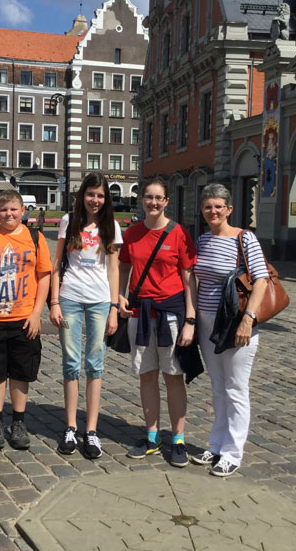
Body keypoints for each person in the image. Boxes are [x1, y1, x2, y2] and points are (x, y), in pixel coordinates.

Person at [189, 183, 269, 477]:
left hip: (235, 322)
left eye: (218, 206)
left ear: (229, 209)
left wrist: (248, 319)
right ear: (202, 210)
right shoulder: (202, 240)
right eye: (208, 206)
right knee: (217, 386)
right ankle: (217, 444)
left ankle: (233, 452)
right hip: (207, 322)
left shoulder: (244, 239)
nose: (213, 211)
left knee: (236, 388)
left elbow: (261, 280)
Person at [118, 177, 197, 468]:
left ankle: (178, 439)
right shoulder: (132, 233)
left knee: (173, 376)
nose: (153, 202)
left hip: (171, 315)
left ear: (166, 201)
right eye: (148, 197)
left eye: (158, 198)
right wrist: (120, 296)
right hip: (140, 314)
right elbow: (124, 266)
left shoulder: (178, 233)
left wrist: (191, 319)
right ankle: (152, 436)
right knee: (147, 375)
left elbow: (189, 279)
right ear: (142, 200)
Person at [0, 190, 52, 450]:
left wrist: (37, 313)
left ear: (22, 211)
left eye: (14, 209)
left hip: (24, 318)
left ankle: (18, 421)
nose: (9, 214)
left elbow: (44, 277)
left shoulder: (35, 238)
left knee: (20, 371)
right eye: (3, 209)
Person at [49, 173, 121, 459]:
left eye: (100, 195)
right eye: (91, 194)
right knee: (70, 362)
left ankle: (91, 430)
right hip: (70, 299)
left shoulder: (112, 226)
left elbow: (113, 269)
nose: (95, 200)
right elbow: (57, 264)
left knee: (95, 363)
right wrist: (54, 302)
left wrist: (114, 308)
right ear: (82, 195)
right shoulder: (70, 221)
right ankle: (70, 426)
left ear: (106, 199)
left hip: (100, 302)